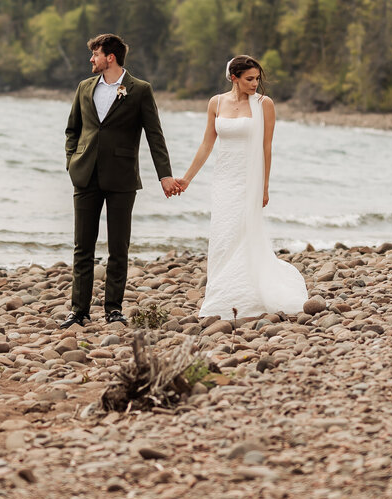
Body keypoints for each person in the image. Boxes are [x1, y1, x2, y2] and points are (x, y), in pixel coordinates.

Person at [63, 33, 185, 327]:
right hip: (85, 176)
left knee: (118, 247)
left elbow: (154, 134)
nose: (91, 60)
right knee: (83, 246)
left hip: (122, 177)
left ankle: (113, 309)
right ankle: (78, 311)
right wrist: (72, 162)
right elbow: (73, 131)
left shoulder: (140, 90)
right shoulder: (84, 87)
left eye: (95, 54)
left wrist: (165, 175)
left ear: (110, 58)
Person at [177, 54, 308, 320]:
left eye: (258, 79)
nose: (255, 84)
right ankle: (221, 294)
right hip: (224, 178)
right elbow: (206, 144)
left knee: (245, 232)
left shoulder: (264, 104)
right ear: (234, 78)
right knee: (223, 233)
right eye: (249, 79)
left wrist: (265, 186)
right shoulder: (216, 102)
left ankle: (247, 294)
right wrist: (187, 178)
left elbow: (266, 147)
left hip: (250, 179)